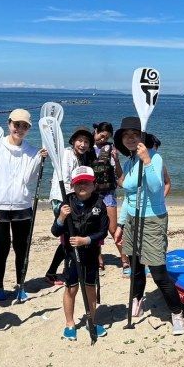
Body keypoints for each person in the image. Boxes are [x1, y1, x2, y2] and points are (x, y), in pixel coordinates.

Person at [112, 116, 184, 336]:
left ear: (142, 137)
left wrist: (147, 160)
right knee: (135, 266)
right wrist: (121, 224)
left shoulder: (155, 158)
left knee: (158, 271)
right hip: (133, 219)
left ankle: (176, 313)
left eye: (135, 135)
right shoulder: (128, 162)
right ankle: (137, 298)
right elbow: (129, 195)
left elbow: (156, 188)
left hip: (153, 219)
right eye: (126, 136)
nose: (131, 139)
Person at [0, 109, 47, 302]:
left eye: (24, 126)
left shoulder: (32, 151)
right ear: (9, 123)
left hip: (22, 206)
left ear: (28, 128)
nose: (19, 128)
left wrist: (38, 159)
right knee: (2, 249)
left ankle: (20, 286)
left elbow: (28, 179)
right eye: (16, 124)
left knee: (22, 248)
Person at [52, 166, 109, 340]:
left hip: (90, 253)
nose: (82, 186)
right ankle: (70, 323)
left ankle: (91, 320)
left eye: (86, 183)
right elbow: (55, 231)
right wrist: (61, 217)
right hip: (71, 254)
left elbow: (103, 231)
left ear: (94, 185)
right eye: (78, 183)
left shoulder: (100, 203)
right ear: (72, 185)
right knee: (71, 288)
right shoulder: (66, 203)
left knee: (90, 287)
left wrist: (87, 240)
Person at [45, 126, 96, 284]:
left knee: (69, 236)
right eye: (80, 140)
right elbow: (67, 181)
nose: (83, 144)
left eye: (86, 142)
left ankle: (60, 269)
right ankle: (55, 271)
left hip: (68, 199)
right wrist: (78, 200)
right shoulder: (67, 154)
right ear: (73, 141)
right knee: (68, 235)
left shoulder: (79, 157)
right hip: (62, 199)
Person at [92, 122, 128, 273]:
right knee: (94, 228)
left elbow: (120, 177)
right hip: (92, 194)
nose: (103, 139)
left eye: (106, 137)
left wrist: (117, 159)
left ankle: (125, 260)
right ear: (96, 131)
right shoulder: (86, 147)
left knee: (113, 228)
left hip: (107, 193)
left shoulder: (111, 149)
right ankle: (99, 261)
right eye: (101, 135)